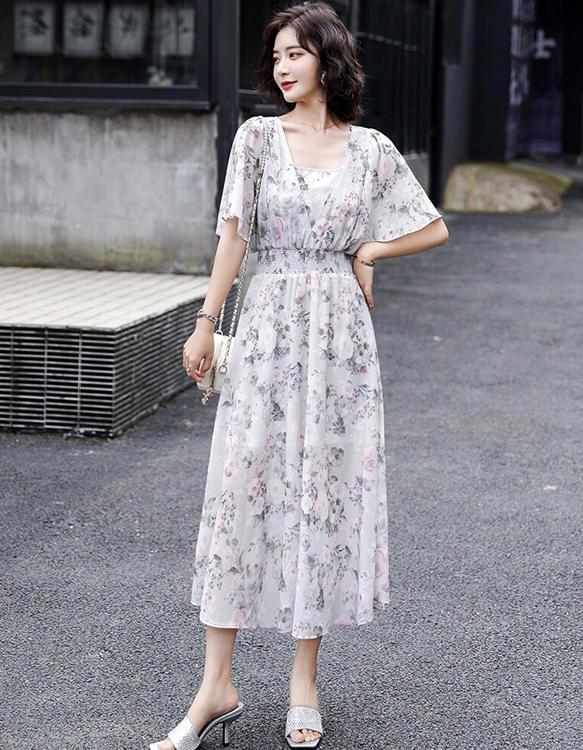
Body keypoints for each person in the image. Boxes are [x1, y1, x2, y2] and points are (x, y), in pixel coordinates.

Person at [148, 2, 448, 749]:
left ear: (328, 59)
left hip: (340, 343)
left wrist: (369, 251)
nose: (281, 67)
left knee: (321, 494)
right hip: (268, 327)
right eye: (276, 55)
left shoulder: (370, 149)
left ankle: (302, 683)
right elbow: (234, 236)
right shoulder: (256, 139)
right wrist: (205, 320)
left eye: (295, 53)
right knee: (242, 486)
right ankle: (215, 685)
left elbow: (433, 226)